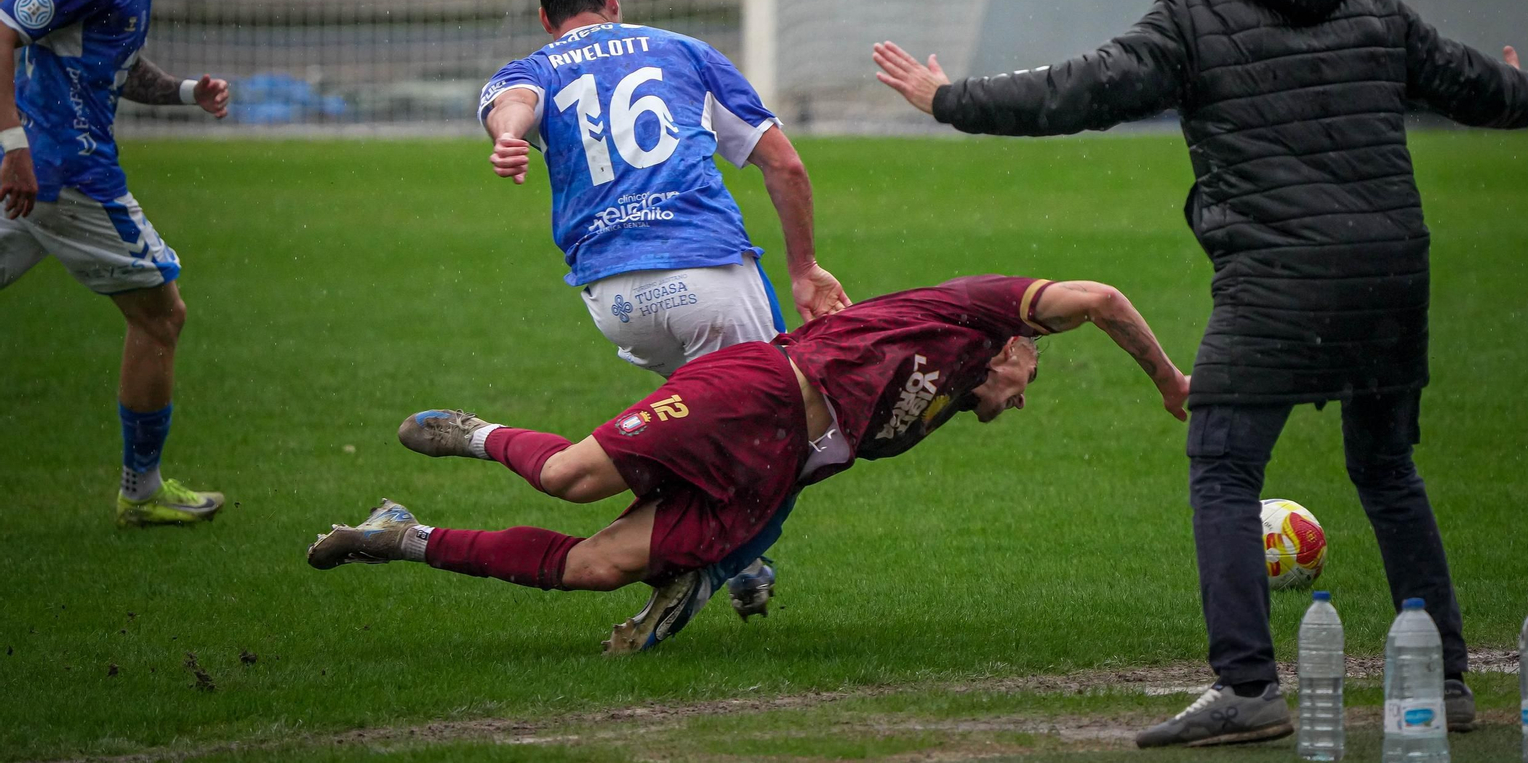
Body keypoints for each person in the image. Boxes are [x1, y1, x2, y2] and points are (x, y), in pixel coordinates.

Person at [873, 0, 1528, 748]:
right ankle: (1442, 677)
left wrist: (948, 99)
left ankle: (1248, 686)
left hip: (1279, 275)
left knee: (1221, 463)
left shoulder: (1194, 14)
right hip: (1391, 273)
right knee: (1387, 470)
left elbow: (1080, 88)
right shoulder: (1373, 1)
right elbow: (1467, 80)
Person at [307, 274, 1190, 654]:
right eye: (1031, 375)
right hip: (753, 390)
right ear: (1017, 342)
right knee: (571, 477)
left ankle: (400, 535)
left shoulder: (948, 399)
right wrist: (1168, 379)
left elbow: (817, 468)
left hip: (768, 470)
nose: (1026, 395)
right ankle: (476, 432)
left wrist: (723, 556)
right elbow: (1103, 299)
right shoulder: (976, 313)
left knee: (596, 565)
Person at [476, 0, 851, 636]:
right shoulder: (684, 51)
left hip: (614, 299)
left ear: (542, 15)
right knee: (795, 427)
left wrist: (508, 137)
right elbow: (786, 167)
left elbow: (516, 104)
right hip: (706, 272)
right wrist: (803, 268)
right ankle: (707, 564)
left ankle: (732, 561)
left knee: (713, 420)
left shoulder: (531, 69)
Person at [0, 0, 232, 528]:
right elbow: (4, 27)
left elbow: (117, 69)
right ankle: (142, 490)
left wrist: (189, 91)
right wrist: (14, 145)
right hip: (67, 175)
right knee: (162, 314)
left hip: (42, 174)